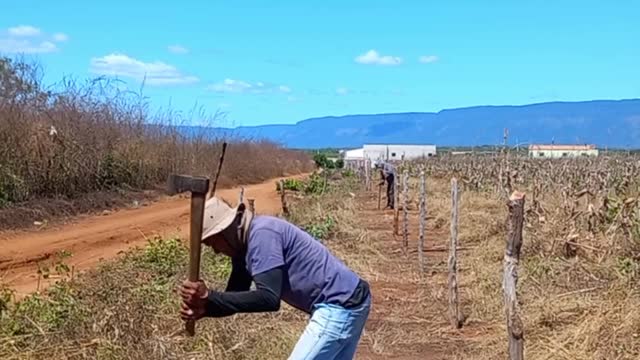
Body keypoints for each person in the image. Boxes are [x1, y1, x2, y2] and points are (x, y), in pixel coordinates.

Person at [179, 196, 372, 359]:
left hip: (339, 305)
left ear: (225, 231)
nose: (216, 251)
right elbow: (235, 297)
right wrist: (206, 309)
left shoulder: (262, 235)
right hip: (349, 300)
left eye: (214, 243)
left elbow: (269, 299)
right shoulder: (242, 249)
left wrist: (209, 295)